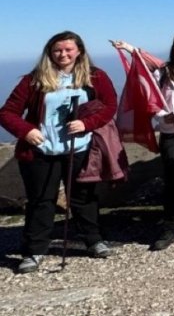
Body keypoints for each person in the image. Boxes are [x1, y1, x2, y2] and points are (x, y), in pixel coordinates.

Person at [1, 32, 119, 273]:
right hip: (41, 150)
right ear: (49, 53)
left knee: (83, 197)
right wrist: (26, 131)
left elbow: (109, 106)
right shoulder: (33, 80)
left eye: (68, 50)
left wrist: (87, 124)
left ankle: (93, 240)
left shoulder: (96, 76)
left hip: (80, 147)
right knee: (41, 200)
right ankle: (34, 250)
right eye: (57, 50)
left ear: (79, 51)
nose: (63, 54)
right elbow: (7, 113)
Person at [111, 32, 174, 251]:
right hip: (171, 131)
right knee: (173, 180)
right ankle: (171, 228)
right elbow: (150, 96)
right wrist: (165, 114)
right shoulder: (164, 71)